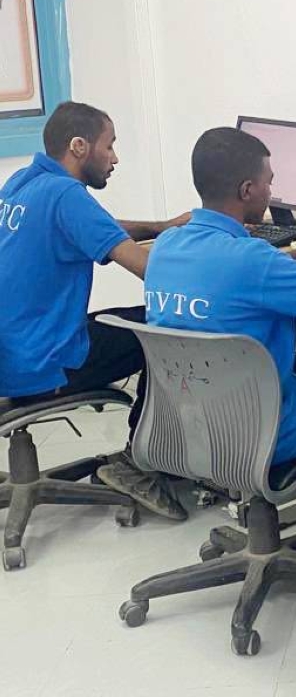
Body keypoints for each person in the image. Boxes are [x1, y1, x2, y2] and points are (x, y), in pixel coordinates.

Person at [142, 127, 296, 469]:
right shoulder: (255, 260)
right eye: (268, 183)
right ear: (247, 190)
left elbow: (240, 274)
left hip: (192, 426)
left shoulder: (166, 246)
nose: (271, 193)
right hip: (268, 433)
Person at [0, 102, 191, 519]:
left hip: (14, 352)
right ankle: (137, 463)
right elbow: (150, 271)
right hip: (43, 364)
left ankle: (159, 455)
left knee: (133, 318)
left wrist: (159, 227)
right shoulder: (67, 195)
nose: (115, 158)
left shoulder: (24, 182)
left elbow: (96, 225)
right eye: (110, 146)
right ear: (79, 146)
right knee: (168, 330)